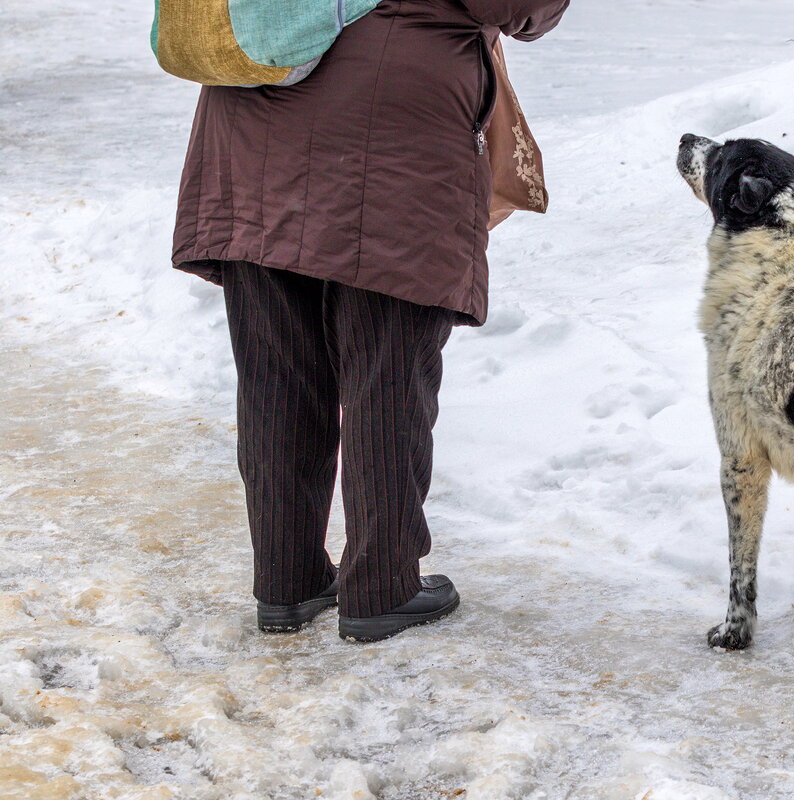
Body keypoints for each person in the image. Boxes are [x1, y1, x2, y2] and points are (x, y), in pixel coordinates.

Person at [170, 0, 570, 642]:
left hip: (252, 107)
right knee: (387, 368)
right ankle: (383, 587)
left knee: (275, 374)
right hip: (387, 134)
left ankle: (287, 582)